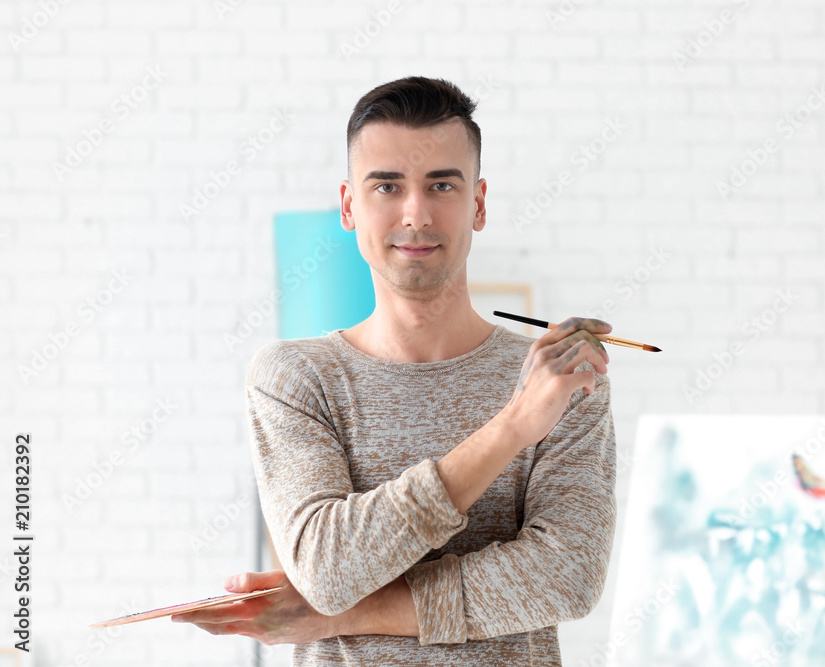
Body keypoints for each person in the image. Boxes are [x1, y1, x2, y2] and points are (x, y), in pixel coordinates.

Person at [171, 75, 617, 666]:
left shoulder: (560, 379)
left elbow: (566, 576)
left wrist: (356, 612)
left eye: (441, 185)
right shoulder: (294, 377)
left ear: (478, 204)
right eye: (387, 186)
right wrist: (511, 427)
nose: (416, 213)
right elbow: (328, 571)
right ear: (350, 206)